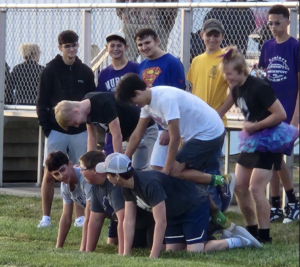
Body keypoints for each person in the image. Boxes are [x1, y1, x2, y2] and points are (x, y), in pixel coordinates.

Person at [96, 153, 262, 258]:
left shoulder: (149, 184)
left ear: (117, 176)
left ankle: (237, 241)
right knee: (172, 252)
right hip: (175, 214)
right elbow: (129, 221)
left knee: (195, 252)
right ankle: (209, 232)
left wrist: (153, 257)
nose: (106, 177)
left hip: (193, 206)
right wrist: (124, 254)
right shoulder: (126, 187)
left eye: (108, 174)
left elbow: (160, 222)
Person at [115, 73, 236, 217]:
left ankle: (218, 197)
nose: (135, 105)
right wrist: (124, 159)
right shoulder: (147, 104)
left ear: (137, 92)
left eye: (133, 101)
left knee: (175, 171)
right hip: (200, 134)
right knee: (193, 176)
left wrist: (166, 172)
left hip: (208, 133)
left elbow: (175, 138)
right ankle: (220, 192)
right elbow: (137, 134)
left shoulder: (165, 99)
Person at [220, 46, 298, 243]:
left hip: (270, 139)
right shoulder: (235, 88)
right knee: (239, 185)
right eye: (225, 75)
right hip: (252, 138)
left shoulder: (259, 87)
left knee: (256, 188)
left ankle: (265, 235)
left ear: (241, 71)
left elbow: (280, 115)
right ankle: (251, 229)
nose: (227, 79)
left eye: (230, 75)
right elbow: (223, 108)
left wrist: (256, 126)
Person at [36, 30, 96, 228]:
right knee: (49, 172)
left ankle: (80, 216)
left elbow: (90, 100)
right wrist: (48, 129)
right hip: (56, 131)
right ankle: (46, 217)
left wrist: (87, 126)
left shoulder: (86, 71)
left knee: (80, 171)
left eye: (74, 45)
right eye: (67, 46)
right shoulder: (50, 70)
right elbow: (42, 102)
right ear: (60, 47)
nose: (72, 49)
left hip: (79, 132)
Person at [187, 19, 235, 211]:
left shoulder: (226, 57)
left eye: (217, 35)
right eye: (209, 34)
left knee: (210, 166)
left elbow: (235, 91)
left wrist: (219, 113)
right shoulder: (197, 60)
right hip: (196, 123)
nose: (212, 38)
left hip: (214, 123)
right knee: (196, 167)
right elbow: (193, 90)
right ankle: (204, 205)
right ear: (202, 36)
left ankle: (217, 206)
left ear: (222, 36)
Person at [258, 4, 299, 223]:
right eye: (270, 23)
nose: (273, 27)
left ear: (288, 21)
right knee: (273, 157)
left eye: (278, 23)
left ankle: (291, 202)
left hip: (288, 111)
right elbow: (264, 78)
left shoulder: (295, 47)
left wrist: (295, 117)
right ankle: (277, 205)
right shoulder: (267, 46)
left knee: (277, 157)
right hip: (269, 111)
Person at [54, 91, 158, 170]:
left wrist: (119, 163)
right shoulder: (85, 112)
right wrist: (89, 163)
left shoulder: (103, 103)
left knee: (142, 170)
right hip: (128, 137)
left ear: (76, 111)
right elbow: (92, 137)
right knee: (129, 172)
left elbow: (116, 134)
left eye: (74, 122)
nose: (76, 126)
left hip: (145, 130)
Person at [79, 150, 154, 252]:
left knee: (144, 246)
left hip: (142, 225)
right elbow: (95, 221)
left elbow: (123, 218)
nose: (81, 172)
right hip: (127, 226)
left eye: (82, 169)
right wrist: (87, 252)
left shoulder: (115, 185)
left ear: (94, 170)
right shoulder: (95, 187)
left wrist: (122, 253)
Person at [135, 28, 186, 171]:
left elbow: (179, 96)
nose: (144, 47)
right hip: (155, 122)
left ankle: (217, 183)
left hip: (174, 123)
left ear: (157, 41)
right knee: (158, 167)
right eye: (140, 44)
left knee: (171, 168)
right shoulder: (142, 66)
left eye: (147, 42)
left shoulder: (172, 62)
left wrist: (168, 131)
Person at [45, 151, 92, 250]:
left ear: (70, 164)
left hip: (115, 209)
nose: (61, 176)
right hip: (107, 214)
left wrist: (83, 249)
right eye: (56, 174)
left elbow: (90, 217)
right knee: (112, 242)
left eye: (62, 170)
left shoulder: (84, 178)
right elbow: (66, 216)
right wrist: (58, 247)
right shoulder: (65, 185)